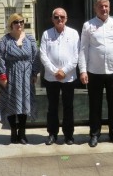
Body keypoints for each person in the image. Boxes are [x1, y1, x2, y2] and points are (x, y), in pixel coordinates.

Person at [79, 0, 113, 147]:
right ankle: (95, 134)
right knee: (95, 105)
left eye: (106, 6)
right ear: (95, 8)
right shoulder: (88, 26)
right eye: (101, 6)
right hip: (94, 72)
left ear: (110, 7)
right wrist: (83, 70)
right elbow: (83, 50)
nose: (104, 9)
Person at [0, 13, 39, 144]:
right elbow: (0, 58)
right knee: (10, 104)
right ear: (11, 24)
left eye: (21, 22)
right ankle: (13, 132)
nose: (19, 24)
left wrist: (34, 74)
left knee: (24, 105)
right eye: (16, 22)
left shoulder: (30, 39)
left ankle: (22, 133)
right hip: (10, 75)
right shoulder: (5, 40)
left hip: (26, 77)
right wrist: (2, 76)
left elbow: (35, 58)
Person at [39, 8, 80, 145]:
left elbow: (76, 56)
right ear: (52, 19)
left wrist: (65, 71)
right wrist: (54, 71)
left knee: (68, 107)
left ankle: (68, 135)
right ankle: (52, 134)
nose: (59, 19)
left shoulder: (74, 34)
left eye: (62, 17)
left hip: (68, 78)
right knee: (52, 107)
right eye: (56, 17)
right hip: (52, 78)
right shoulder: (46, 34)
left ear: (66, 18)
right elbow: (43, 55)